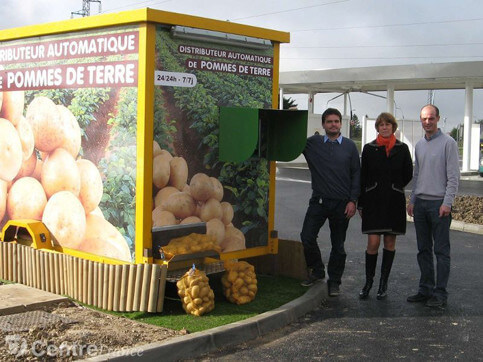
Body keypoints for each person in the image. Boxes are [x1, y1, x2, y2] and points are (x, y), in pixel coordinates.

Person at [300, 108, 361, 297]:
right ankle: (317, 271)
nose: (333, 124)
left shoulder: (350, 146)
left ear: (341, 124)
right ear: (323, 124)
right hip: (318, 201)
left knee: (338, 246)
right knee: (307, 236)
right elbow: (293, 142)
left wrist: (353, 201)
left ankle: (334, 282)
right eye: (329, 121)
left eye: (336, 121)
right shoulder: (313, 143)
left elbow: (356, 175)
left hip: (342, 204)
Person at [407, 104, 460, 308]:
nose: (427, 122)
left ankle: (440, 293)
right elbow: (417, 175)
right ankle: (425, 289)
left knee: (441, 251)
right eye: (424, 119)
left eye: (431, 118)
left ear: (438, 119)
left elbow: (454, 177)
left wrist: (447, 203)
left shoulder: (449, 143)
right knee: (423, 250)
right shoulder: (419, 145)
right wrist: (412, 200)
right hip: (420, 204)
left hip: (439, 205)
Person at [357, 112, 413, 300]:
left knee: (390, 242)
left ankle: (383, 283)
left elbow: (408, 174)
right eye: (381, 124)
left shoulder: (402, 148)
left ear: (393, 127)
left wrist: (395, 187)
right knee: (373, 242)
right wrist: (361, 203)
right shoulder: (368, 148)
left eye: (388, 124)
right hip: (373, 201)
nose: (385, 127)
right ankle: (368, 282)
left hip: (393, 201)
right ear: (378, 128)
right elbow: (363, 176)